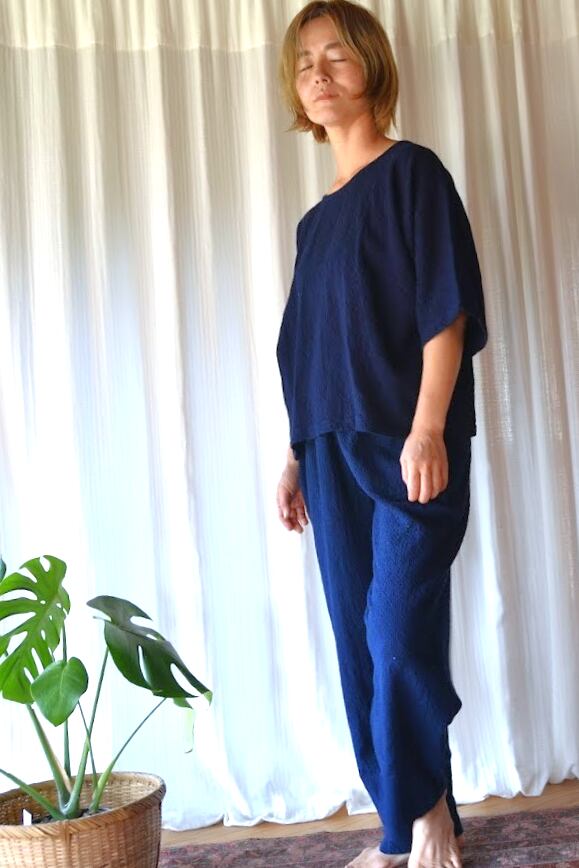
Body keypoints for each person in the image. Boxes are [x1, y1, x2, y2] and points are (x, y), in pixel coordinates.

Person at [275, 2, 488, 867]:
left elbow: (446, 307)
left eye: (335, 55)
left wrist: (428, 426)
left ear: (371, 64)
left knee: (397, 632)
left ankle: (425, 812)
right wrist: (294, 456)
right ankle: (404, 825)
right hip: (328, 450)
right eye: (303, 63)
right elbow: (306, 349)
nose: (317, 73)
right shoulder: (314, 223)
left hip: (404, 445)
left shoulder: (413, 174)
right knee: (358, 647)